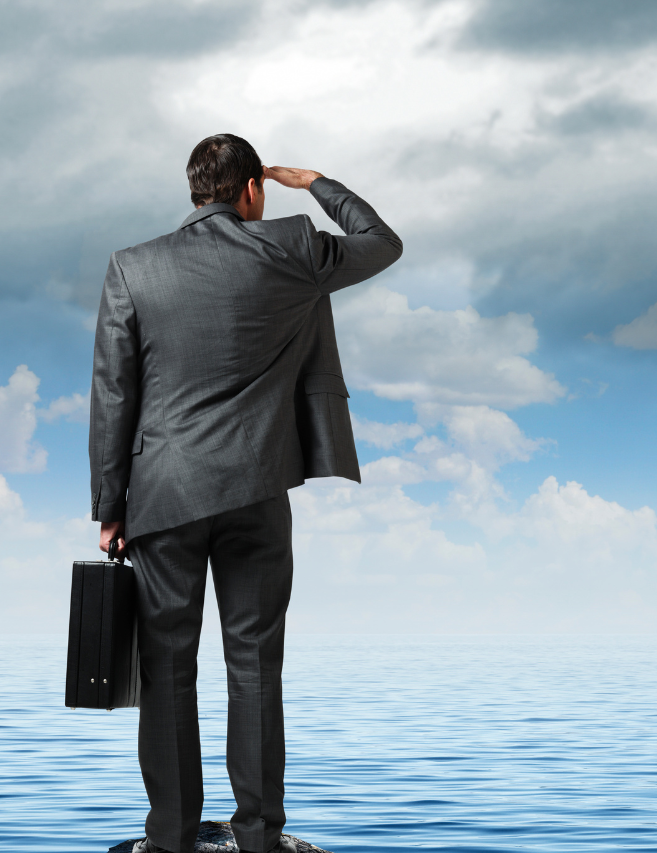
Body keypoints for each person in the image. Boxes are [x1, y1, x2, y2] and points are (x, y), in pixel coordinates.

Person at [88, 134, 401, 853]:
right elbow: (381, 242)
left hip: (162, 494)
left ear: (196, 193)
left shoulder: (133, 267)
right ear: (251, 190)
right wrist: (317, 182)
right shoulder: (291, 249)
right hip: (258, 488)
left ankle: (169, 837)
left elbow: (114, 393)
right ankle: (259, 835)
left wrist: (110, 505)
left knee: (167, 663)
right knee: (255, 662)